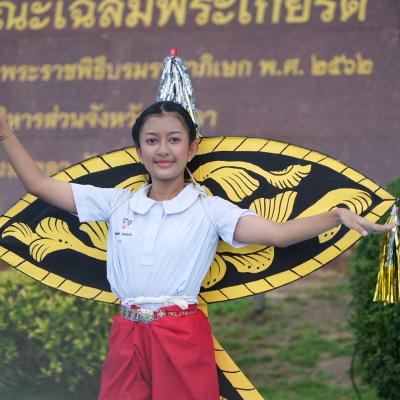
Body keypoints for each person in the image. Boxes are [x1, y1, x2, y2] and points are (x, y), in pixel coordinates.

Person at [0, 101, 397, 400]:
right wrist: (6, 134)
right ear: (139, 150)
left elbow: (278, 234)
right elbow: (39, 185)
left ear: (191, 149)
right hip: (126, 332)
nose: (163, 150)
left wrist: (336, 215)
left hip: (181, 332)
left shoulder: (210, 209)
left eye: (174, 140)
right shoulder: (117, 202)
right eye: (152, 140)